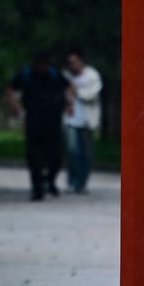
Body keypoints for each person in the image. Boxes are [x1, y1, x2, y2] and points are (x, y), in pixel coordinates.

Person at [5, 51, 68, 201]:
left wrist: (69, 101)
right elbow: (10, 88)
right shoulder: (26, 73)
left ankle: (50, 180)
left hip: (54, 117)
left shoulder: (54, 73)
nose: (43, 67)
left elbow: (68, 86)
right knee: (33, 154)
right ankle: (37, 187)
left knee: (56, 156)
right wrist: (13, 104)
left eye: (46, 64)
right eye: (41, 64)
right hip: (34, 117)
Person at [64, 49, 103, 194]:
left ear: (81, 61)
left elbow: (92, 94)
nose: (72, 65)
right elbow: (63, 94)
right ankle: (72, 181)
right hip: (70, 119)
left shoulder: (92, 76)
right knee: (72, 151)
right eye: (70, 63)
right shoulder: (67, 76)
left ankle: (81, 182)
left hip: (87, 120)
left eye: (74, 62)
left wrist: (76, 91)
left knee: (85, 153)